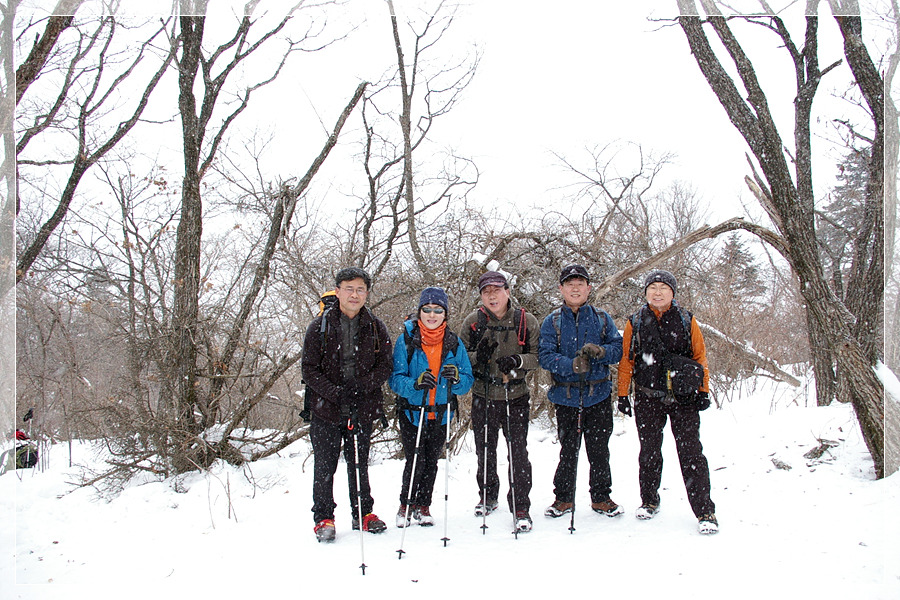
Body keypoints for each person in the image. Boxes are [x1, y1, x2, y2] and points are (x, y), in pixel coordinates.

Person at [617, 269, 718, 535]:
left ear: (672, 292)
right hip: (649, 398)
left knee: (691, 454)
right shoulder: (636, 321)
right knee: (649, 452)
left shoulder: (686, 320)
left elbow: (700, 356)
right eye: (653, 287)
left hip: (684, 398)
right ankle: (649, 501)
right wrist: (623, 394)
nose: (658, 292)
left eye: (663, 287)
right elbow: (627, 361)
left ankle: (705, 510)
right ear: (646, 292)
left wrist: (704, 390)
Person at [301, 267, 392, 542]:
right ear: (337, 290)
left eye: (360, 289)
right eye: (349, 288)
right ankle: (324, 518)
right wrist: (335, 393)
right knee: (325, 466)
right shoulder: (320, 327)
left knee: (359, 463)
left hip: (361, 408)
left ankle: (363, 512)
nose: (355, 294)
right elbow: (309, 370)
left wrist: (361, 388)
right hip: (325, 409)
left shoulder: (376, 327)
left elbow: (385, 366)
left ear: (367, 293)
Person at [538, 264, 624, 520]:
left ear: (588, 288)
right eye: (569, 284)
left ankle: (601, 497)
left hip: (598, 396)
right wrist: (570, 365)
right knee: (568, 450)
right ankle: (563, 498)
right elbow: (545, 356)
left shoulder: (602, 318)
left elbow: (618, 349)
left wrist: (600, 353)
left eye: (580, 284)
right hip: (565, 398)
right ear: (561, 289)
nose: (575, 289)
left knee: (599, 451)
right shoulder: (552, 322)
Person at [460, 270, 540, 533]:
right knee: (485, 449)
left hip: (515, 395)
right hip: (483, 394)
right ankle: (487, 495)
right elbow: (460, 357)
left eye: (496, 290)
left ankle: (520, 505)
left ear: (507, 291)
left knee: (518, 452)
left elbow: (538, 357)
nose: (492, 296)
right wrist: (477, 357)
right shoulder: (473, 322)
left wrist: (518, 362)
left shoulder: (525, 321)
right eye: (486, 292)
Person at [389, 287, 474, 528]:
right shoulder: (406, 340)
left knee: (432, 460)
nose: (432, 314)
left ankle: (423, 505)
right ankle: (406, 504)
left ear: (445, 314)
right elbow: (395, 379)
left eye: (438, 310)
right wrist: (415, 384)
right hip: (412, 413)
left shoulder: (454, 342)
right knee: (414, 459)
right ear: (419, 312)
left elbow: (466, 381)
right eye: (427, 309)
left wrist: (456, 378)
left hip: (442, 412)